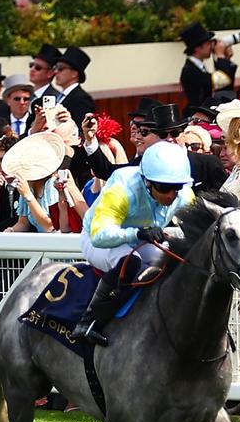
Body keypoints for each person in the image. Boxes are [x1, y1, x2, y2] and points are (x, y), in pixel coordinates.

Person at [72, 141, 192, 347]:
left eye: (177, 188)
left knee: (168, 260)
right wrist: (137, 233)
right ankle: (88, 322)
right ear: (147, 182)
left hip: (138, 239)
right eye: (164, 188)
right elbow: (99, 235)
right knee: (132, 261)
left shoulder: (184, 195)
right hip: (99, 240)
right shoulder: (122, 189)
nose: (172, 195)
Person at [179, 22, 236, 108]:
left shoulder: (198, 67)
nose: (211, 46)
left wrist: (226, 59)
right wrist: (221, 56)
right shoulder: (190, 71)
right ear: (198, 48)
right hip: (197, 115)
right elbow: (222, 81)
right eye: (208, 43)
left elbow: (224, 87)